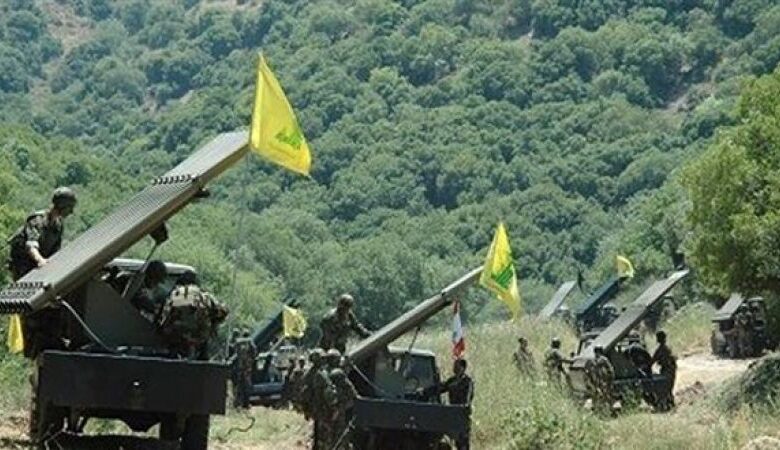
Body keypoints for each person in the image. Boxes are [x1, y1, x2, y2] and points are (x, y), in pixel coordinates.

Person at [7, 187, 76, 281]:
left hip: (39, 267)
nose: (71, 212)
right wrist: (40, 260)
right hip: (23, 265)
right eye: (69, 207)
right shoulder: (37, 220)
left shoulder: (58, 225)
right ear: (61, 205)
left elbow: (56, 251)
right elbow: (31, 245)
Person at [157, 270, 229, 358]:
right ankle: (203, 357)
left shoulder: (174, 294)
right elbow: (223, 311)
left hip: (176, 338)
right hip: (199, 337)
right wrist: (213, 323)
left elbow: (162, 319)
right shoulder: (204, 295)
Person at [431, 359, 473, 450]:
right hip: (452, 412)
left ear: (463, 368)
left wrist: (464, 407)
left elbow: (468, 397)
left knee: (462, 442)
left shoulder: (467, 381)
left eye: (457, 366)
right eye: (454, 366)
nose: (454, 368)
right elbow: (441, 389)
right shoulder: (452, 380)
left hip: (462, 414)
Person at [650, 330, 677, 410]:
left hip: (667, 370)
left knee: (664, 388)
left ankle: (665, 405)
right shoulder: (667, 348)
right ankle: (670, 403)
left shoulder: (660, 350)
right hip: (672, 369)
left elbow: (652, 361)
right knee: (669, 388)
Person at [587, 346, 615, 414]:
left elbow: (610, 370)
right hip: (598, 381)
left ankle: (610, 409)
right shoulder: (596, 360)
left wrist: (609, 380)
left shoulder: (602, 360)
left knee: (606, 396)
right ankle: (598, 410)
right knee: (598, 396)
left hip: (604, 381)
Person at [233, 330, 256, 409]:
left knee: (239, 386)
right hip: (247, 368)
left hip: (240, 368)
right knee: (247, 385)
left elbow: (235, 351)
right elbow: (254, 352)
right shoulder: (250, 342)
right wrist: (251, 360)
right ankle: (246, 404)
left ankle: (237, 403)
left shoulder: (239, 342)